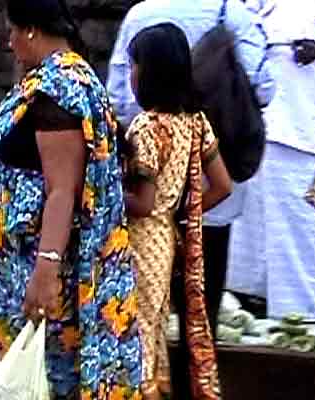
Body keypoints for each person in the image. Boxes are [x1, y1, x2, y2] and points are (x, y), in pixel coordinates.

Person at [0, 0, 142, 398]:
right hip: (12, 266)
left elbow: (61, 189)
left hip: (27, 269)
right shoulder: (59, 80)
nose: (9, 41)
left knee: (29, 369)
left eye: (12, 30)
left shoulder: (59, 91)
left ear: (31, 29)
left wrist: (45, 271)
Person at [107, 0, 275, 339]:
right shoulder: (234, 17)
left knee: (138, 319)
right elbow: (265, 88)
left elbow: (116, 99)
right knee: (200, 321)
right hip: (209, 211)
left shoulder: (140, 15)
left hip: (147, 220)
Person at [226, 0, 315, 319]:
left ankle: (303, 309)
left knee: (302, 214)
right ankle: (250, 294)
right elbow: (246, 18)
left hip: (311, 109)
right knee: (253, 206)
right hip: (266, 106)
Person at [122, 23, 233, 400]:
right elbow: (222, 185)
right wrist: (183, 218)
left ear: (150, 72)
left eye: (133, 66)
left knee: (138, 335)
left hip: (139, 242)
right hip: (166, 240)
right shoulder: (195, 123)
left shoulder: (146, 128)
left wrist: (100, 196)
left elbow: (143, 202)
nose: (130, 75)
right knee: (152, 330)